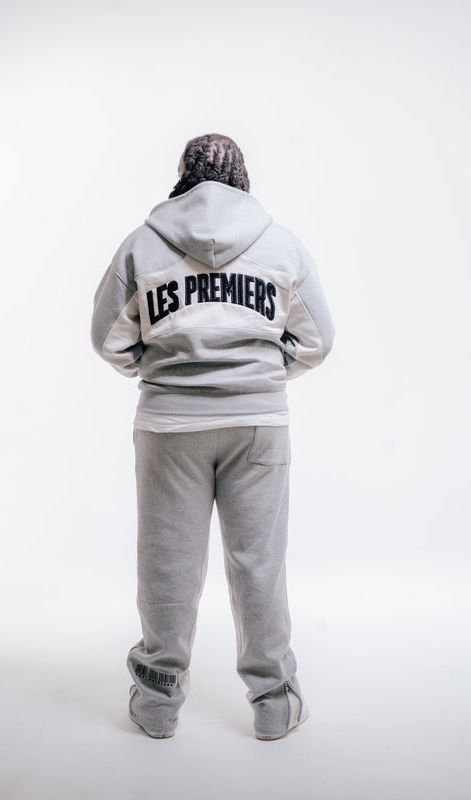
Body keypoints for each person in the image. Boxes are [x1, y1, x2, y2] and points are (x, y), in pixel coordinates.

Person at [90, 133, 334, 740]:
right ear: (243, 177)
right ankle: (274, 703)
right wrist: (263, 374)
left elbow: (108, 338)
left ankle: (155, 704)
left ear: (182, 176)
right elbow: (317, 341)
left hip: (170, 428)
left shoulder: (142, 246)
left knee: (168, 564)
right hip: (257, 427)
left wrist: (159, 371)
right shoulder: (281, 245)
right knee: (258, 564)